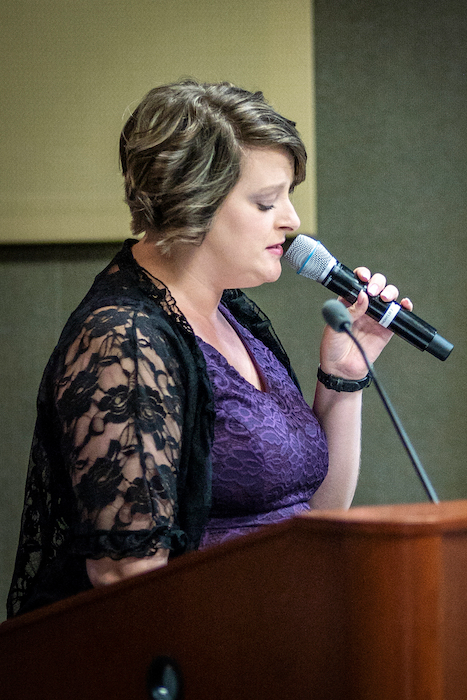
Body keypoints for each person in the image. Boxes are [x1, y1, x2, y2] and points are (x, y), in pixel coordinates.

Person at [7, 80, 412, 617]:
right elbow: (126, 578)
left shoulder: (231, 312)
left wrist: (342, 374)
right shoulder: (124, 340)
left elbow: (311, 517)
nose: (292, 221)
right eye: (267, 202)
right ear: (193, 202)